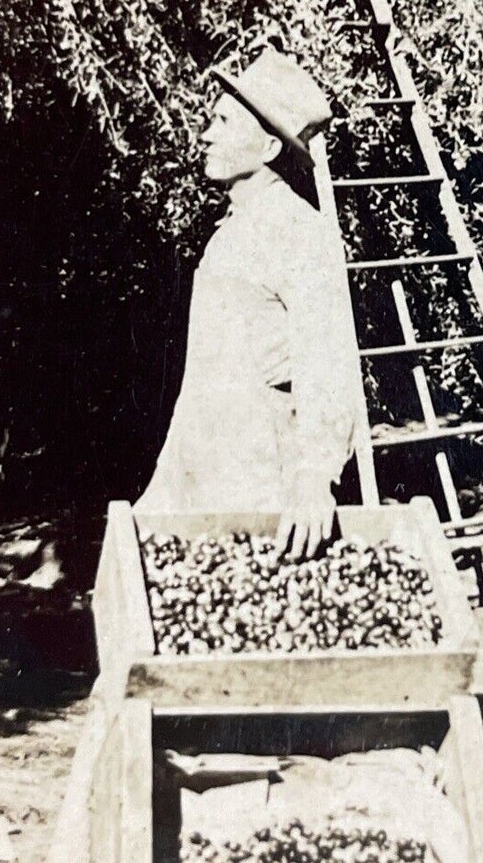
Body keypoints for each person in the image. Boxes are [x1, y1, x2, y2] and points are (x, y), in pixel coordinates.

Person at [135, 47, 359, 559]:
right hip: (197, 471)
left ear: (267, 147)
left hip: (256, 488)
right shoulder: (231, 235)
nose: (206, 134)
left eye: (221, 121)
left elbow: (326, 360)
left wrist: (313, 475)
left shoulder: (299, 232)